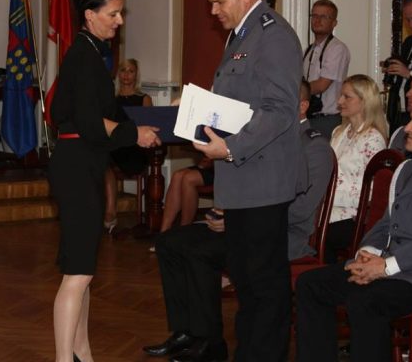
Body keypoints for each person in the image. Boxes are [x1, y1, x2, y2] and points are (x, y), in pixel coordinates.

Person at [142, 80, 333, 362]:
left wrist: (235, 217)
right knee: (170, 241)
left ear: (302, 106)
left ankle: (209, 342)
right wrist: (227, 212)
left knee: (199, 251)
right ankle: (186, 331)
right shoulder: (265, 137)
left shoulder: (314, 146)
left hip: (281, 235)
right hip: (246, 223)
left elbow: (302, 209)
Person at [295, 93, 412, 362]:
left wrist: (387, 266)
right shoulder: (410, 169)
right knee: (311, 284)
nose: (407, 128)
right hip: (396, 268)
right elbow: (387, 223)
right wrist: (367, 254)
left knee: (366, 301)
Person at [47, 0, 160, 362]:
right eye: (113, 13)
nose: (120, 20)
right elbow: (90, 122)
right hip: (77, 166)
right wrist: (134, 134)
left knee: (83, 270)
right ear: (89, 14)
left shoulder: (89, 53)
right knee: (78, 273)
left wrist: (139, 128)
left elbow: (97, 115)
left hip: (81, 164)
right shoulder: (84, 57)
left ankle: (82, 353)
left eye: (120, 12)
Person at [193, 0, 303, 362]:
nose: (213, 11)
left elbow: (279, 110)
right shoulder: (243, 33)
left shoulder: (273, 36)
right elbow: (240, 103)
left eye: (219, 2)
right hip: (243, 180)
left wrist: (230, 149)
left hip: (263, 180)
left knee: (264, 284)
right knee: (245, 279)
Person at [324, 74, 387, 263]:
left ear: (364, 101)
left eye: (347, 97)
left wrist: (330, 196)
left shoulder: (372, 139)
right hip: (329, 210)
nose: (340, 101)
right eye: (341, 95)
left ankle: (326, 275)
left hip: (352, 216)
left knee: (312, 232)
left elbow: (373, 191)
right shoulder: (339, 132)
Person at [103, 58, 152, 232]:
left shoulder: (144, 99)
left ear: (136, 75)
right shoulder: (111, 99)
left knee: (104, 158)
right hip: (115, 147)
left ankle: (110, 215)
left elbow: (148, 128)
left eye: (131, 71)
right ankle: (110, 213)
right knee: (100, 159)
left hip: (135, 148)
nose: (126, 75)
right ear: (118, 74)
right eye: (123, 70)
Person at [304, 0, 351, 137]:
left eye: (324, 16)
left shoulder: (337, 48)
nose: (317, 20)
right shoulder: (309, 50)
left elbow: (321, 85)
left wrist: (294, 91)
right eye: (314, 15)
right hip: (309, 117)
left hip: (327, 120)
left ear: (334, 23)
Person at [383, 0, 412, 134]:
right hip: (399, 109)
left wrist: (409, 74)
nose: (411, 24)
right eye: (408, 20)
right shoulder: (409, 41)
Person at [157, 156, 214, 234]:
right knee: (177, 175)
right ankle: (164, 230)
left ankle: (184, 229)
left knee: (189, 178)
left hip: (224, 168)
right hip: (211, 162)